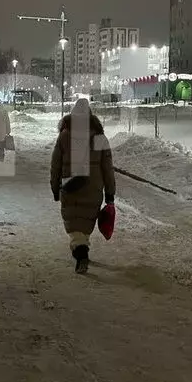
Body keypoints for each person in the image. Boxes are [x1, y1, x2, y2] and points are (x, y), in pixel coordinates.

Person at [50, 98, 115, 273]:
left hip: (70, 185)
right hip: (93, 187)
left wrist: (54, 187)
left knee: (74, 222)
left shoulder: (64, 135)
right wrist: (110, 193)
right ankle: (81, 248)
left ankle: (81, 252)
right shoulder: (99, 137)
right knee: (85, 222)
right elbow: (107, 168)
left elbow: (55, 164)